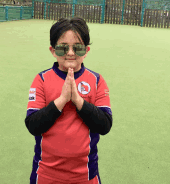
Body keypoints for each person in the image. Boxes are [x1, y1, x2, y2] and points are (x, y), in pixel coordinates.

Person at [25, 17, 113, 184]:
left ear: (86, 51)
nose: (71, 53)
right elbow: (33, 125)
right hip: (46, 175)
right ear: (52, 50)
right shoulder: (41, 80)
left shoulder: (96, 80)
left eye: (77, 48)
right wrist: (62, 100)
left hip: (86, 175)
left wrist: (78, 101)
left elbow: (105, 125)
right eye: (63, 48)